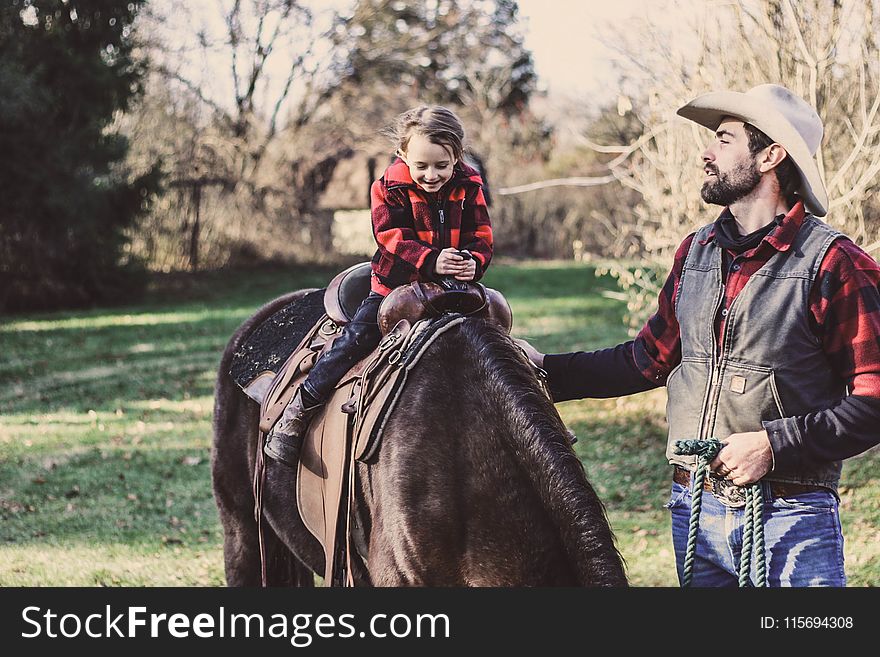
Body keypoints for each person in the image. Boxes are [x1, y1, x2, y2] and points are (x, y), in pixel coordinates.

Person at [518, 84, 880, 587]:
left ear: (771, 155)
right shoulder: (696, 252)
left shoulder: (834, 264)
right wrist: (543, 371)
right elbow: (648, 358)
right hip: (695, 509)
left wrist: (775, 445)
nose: (705, 152)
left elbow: (873, 399)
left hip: (790, 519)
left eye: (725, 139)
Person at [264, 105, 493, 467]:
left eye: (441, 166)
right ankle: (300, 408)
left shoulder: (470, 186)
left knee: (496, 334)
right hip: (395, 287)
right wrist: (431, 260)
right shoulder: (388, 188)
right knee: (357, 339)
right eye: (421, 166)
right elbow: (390, 237)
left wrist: (472, 261)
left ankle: (525, 411)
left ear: (456, 158)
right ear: (403, 155)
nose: (431, 175)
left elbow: (481, 234)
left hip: (451, 290)